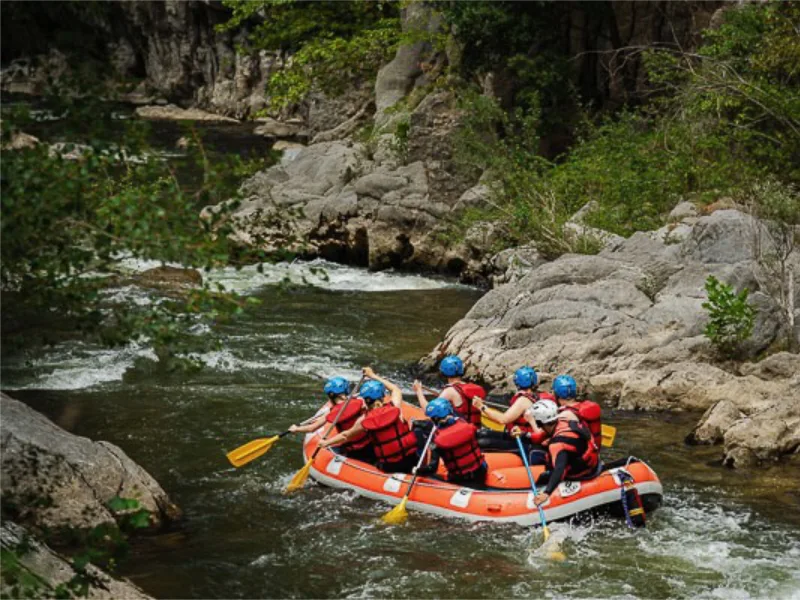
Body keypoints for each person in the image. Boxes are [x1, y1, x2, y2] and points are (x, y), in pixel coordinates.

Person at [319, 367, 420, 474]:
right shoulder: (395, 407)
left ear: (365, 401)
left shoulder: (364, 421)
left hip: (390, 467)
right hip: (412, 460)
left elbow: (346, 435)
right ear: (382, 396)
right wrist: (372, 375)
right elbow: (395, 389)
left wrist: (325, 443)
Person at [521, 399, 600, 507]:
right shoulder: (564, 421)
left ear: (540, 422)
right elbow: (542, 435)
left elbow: (560, 469)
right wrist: (524, 435)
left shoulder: (557, 445)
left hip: (582, 471)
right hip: (591, 461)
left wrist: (546, 493)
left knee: (539, 462)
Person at [471, 366, 553, 463]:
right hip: (521, 436)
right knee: (481, 434)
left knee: (483, 441)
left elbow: (503, 419)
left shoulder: (523, 400)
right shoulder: (538, 396)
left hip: (525, 441)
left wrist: (482, 407)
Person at [289, 376, 375, 464]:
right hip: (371, 445)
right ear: (344, 393)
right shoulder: (360, 403)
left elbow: (312, 428)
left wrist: (296, 429)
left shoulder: (331, 413)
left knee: (331, 450)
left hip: (353, 451)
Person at [416, 398, 488, 485]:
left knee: (433, 477)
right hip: (480, 472)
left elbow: (432, 468)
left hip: (459, 480)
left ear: (434, 419)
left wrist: (417, 471)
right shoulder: (466, 424)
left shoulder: (436, 440)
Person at [552, 375, 603, 451]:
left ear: (556, 395)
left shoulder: (563, 416)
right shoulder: (589, 408)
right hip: (594, 455)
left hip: (578, 459)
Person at [435, 355, 486, 427]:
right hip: (476, 430)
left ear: (444, 372)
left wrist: (419, 392)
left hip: (461, 433)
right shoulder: (469, 387)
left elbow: (431, 411)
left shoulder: (449, 391)